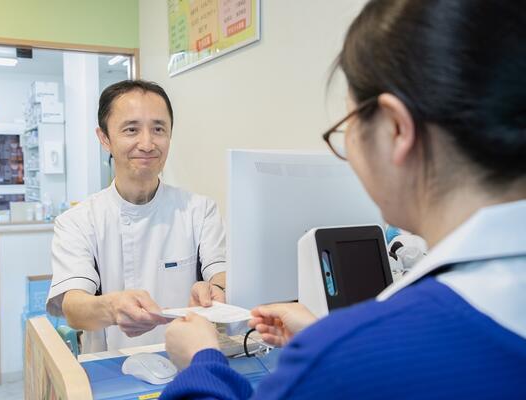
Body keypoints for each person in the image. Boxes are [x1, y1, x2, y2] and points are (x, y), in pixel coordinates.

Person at [160, 0, 526, 398]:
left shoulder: (351, 359)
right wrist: (328, 337)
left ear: (395, 129)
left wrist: (201, 363)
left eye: (348, 124)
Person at [46, 80, 227, 352]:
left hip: (190, 359)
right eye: (131, 130)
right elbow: (73, 307)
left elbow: (220, 271)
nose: (147, 143)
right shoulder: (78, 221)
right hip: (111, 368)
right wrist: (111, 308)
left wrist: (218, 290)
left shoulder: (199, 210)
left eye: (158, 129)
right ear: (104, 138)